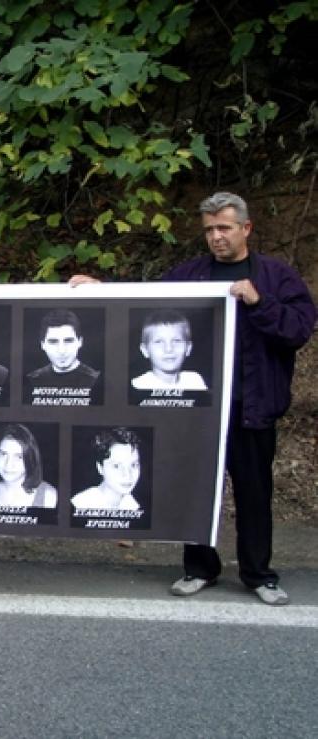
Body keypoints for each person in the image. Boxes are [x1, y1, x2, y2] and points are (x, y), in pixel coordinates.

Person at [73, 191, 315, 605]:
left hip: (252, 407)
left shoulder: (276, 276)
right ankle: (200, 568)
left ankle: (259, 575)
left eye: (225, 228)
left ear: (246, 228)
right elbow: (145, 304)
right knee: (196, 491)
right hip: (197, 410)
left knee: (255, 494)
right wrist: (102, 289)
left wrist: (259, 302)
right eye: (209, 230)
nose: (217, 237)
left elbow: (298, 329)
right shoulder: (192, 275)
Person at [0, 424, 57, 508]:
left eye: (18, 457)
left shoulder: (48, 497)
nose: (8, 464)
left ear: (30, 459)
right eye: (3, 454)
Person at [130, 309, 208, 390]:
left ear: (188, 348)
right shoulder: (138, 386)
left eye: (176, 341)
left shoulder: (195, 381)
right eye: (159, 342)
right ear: (145, 350)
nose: (169, 349)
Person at [26, 309, 100, 390]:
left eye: (68, 341)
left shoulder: (95, 381)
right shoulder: (31, 381)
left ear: (80, 342)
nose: (61, 351)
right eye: (53, 342)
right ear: (43, 345)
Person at [71, 427, 142, 511]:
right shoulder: (80, 505)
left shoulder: (133, 506)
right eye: (116, 466)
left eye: (133, 465)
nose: (128, 475)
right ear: (100, 468)